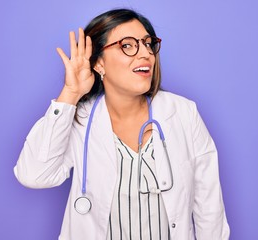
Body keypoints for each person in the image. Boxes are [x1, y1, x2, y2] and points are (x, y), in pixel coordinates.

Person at [14, 8, 230, 240]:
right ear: (98, 63)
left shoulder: (182, 113)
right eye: (127, 45)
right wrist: (70, 93)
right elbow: (33, 175)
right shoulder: (80, 119)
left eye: (148, 44)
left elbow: (210, 209)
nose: (146, 54)